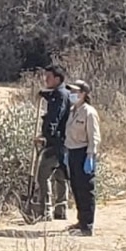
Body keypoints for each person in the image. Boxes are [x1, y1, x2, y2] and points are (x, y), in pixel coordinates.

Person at [34, 65, 71, 221]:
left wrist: (45, 136)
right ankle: (61, 210)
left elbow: (54, 117)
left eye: (48, 77)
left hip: (55, 142)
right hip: (65, 142)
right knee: (61, 175)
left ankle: (45, 211)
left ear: (57, 79)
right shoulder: (65, 93)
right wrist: (44, 95)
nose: (45, 80)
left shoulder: (60, 95)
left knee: (44, 175)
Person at [64, 80, 100, 237]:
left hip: (84, 153)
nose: (72, 94)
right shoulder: (72, 110)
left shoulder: (89, 112)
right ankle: (81, 221)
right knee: (76, 188)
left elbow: (94, 136)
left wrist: (90, 155)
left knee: (86, 190)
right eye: (71, 91)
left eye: (75, 91)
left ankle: (87, 226)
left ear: (84, 93)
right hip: (72, 152)